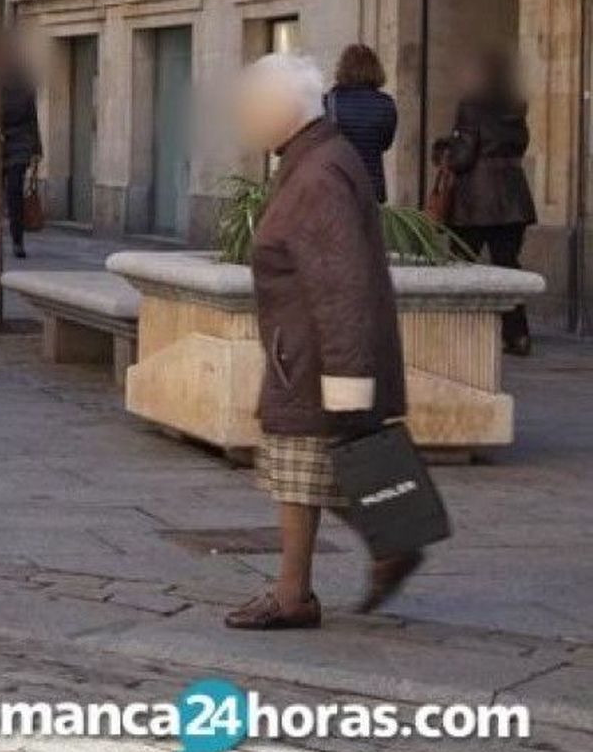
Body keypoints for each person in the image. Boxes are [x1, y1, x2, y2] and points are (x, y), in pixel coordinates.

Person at [224, 53, 413, 631]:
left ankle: (313, 584)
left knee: (307, 465)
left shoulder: (316, 174)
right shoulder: (313, 159)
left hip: (313, 355)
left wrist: (347, 375)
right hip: (305, 352)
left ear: (283, 110)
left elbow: (340, 282)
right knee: (306, 470)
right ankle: (335, 570)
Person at [437, 49, 537, 356]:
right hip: (514, 197)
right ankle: (517, 334)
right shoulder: (516, 104)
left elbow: (464, 155)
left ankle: (457, 333)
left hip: (477, 201)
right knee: (507, 267)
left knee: (460, 265)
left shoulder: (472, 104)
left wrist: (443, 149)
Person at [325, 44, 397, 203]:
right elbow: (385, 143)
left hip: (337, 184)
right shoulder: (386, 104)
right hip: (372, 186)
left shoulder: (329, 101)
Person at [0, 53, 42, 259]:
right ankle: (17, 240)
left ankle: (15, 238)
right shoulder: (26, 89)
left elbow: (32, 119)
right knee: (14, 193)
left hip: (6, 144)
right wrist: (36, 150)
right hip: (19, 146)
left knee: (10, 193)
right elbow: (33, 120)